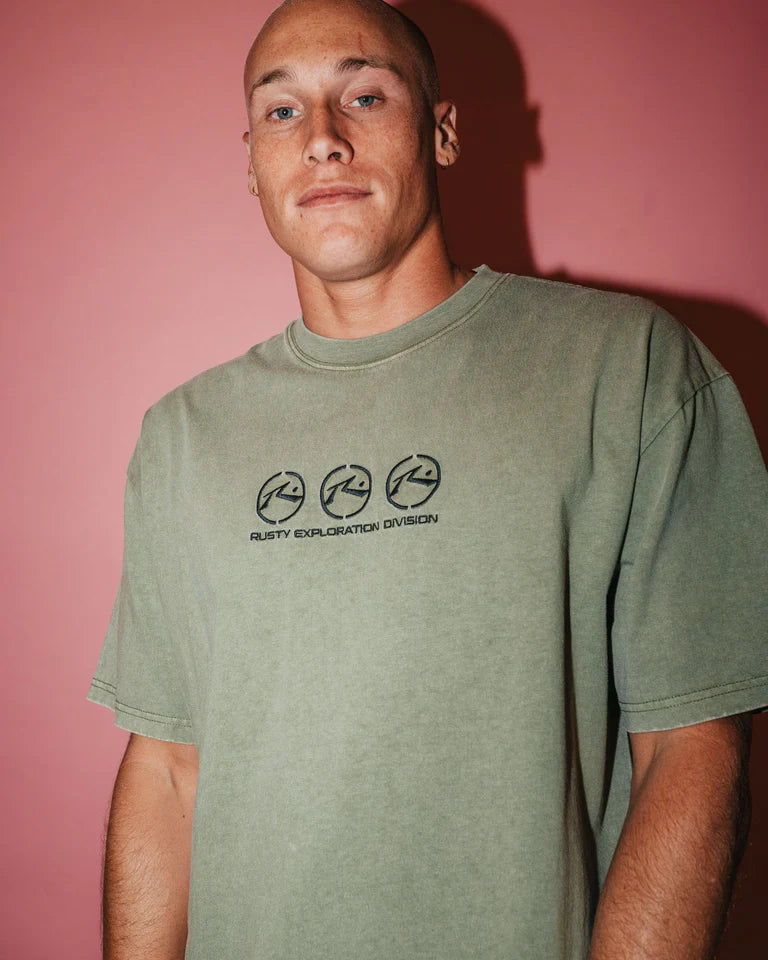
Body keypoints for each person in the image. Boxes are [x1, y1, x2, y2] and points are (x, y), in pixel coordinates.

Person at [84, 1, 768, 958]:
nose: (322, 139)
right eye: (281, 111)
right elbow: (165, 770)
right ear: (250, 163)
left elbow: (691, 750)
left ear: (441, 132)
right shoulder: (182, 436)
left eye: (365, 96)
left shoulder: (631, 371)